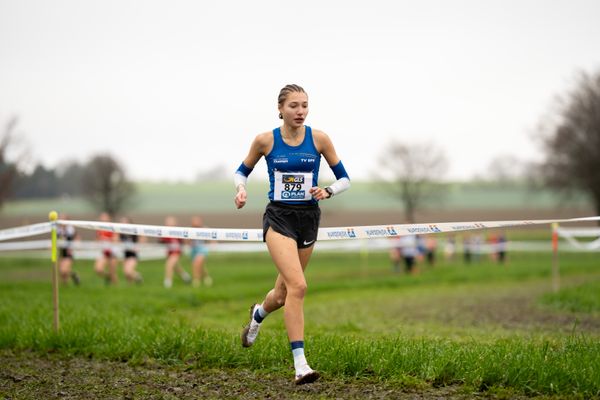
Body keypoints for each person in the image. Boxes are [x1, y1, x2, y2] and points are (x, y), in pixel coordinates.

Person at [234, 84, 350, 385]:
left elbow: (345, 179)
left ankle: (258, 315)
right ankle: (301, 365)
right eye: (294, 106)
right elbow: (241, 171)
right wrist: (241, 189)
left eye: (305, 105)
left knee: (284, 294)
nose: (300, 111)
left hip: (309, 218)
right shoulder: (265, 140)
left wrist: (328, 190)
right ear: (281, 109)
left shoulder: (320, 139)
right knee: (298, 286)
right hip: (279, 218)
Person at [160, 216, 191, 288]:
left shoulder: (178, 231)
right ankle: (186, 277)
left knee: (169, 265)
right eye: (167, 221)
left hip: (176, 251)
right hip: (169, 252)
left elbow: (183, 240)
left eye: (170, 221)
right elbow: (162, 241)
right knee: (175, 267)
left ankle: (167, 283)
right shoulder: (164, 231)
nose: (169, 223)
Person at [94, 212, 118, 284]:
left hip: (112, 252)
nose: (103, 219)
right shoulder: (99, 229)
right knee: (98, 269)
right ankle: (108, 277)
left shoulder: (112, 228)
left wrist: (107, 239)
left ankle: (116, 287)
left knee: (112, 271)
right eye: (102, 217)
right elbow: (97, 240)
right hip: (103, 252)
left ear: (109, 218)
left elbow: (116, 239)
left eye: (105, 217)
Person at [57, 213, 80, 285]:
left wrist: (76, 245)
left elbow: (77, 238)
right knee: (62, 273)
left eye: (63, 219)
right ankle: (67, 283)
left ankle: (74, 275)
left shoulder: (71, 229)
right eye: (60, 219)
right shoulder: (58, 230)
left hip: (68, 252)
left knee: (63, 270)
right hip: (61, 252)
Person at [189, 215, 212, 288]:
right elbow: (187, 240)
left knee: (197, 263)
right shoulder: (190, 230)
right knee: (199, 266)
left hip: (202, 249)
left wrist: (212, 245)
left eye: (197, 220)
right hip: (194, 250)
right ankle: (207, 277)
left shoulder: (204, 229)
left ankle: (196, 281)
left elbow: (213, 238)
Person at [119, 216, 143, 284]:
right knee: (126, 273)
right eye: (122, 222)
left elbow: (142, 238)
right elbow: (117, 242)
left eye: (125, 222)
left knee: (129, 271)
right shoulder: (120, 233)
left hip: (133, 254)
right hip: (125, 254)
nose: (123, 223)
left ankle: (137, 276)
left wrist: (138, 247)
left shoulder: (133, 232)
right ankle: (129, 286)